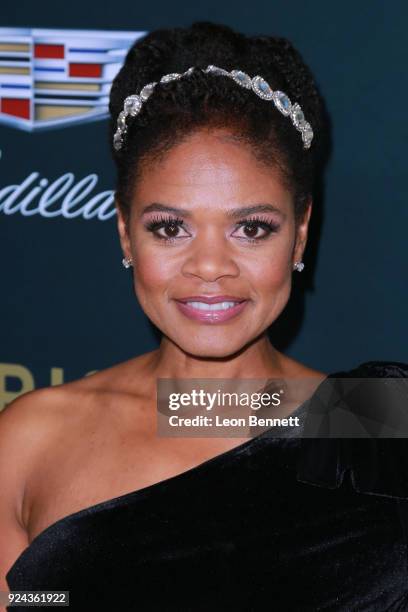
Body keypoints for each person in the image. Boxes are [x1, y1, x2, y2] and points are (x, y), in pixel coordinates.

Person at [1, 21, 407, 612]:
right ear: (125, 234)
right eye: (170, 228)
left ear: (300, 235)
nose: (210, 266)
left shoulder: (379, 422)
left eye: (252, 228)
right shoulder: (32, 438)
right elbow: (36, 602)